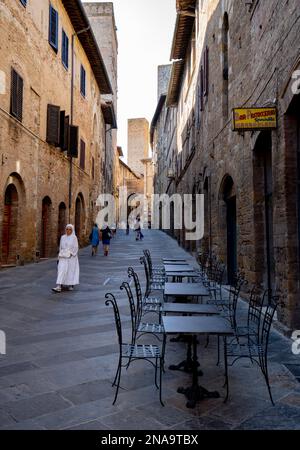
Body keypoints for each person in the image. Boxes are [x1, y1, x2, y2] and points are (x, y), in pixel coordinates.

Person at [52, 224, 80, 293]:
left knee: (70, 271)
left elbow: (76, 247)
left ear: (72, 230)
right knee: (61, 270)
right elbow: (60, 247)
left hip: (71, 258)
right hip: (63, 257)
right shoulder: (63, 237)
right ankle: (58, 286)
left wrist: (71, 254)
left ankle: (70, 284)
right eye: (67, 229)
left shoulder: (74, 237)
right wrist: (59, 256)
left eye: (70, 229)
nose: (68, 231)